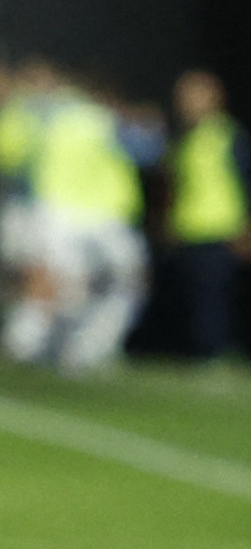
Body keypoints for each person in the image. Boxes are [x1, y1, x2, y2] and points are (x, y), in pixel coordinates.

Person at [2, 68, 150, 372]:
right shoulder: (97, 117)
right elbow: (147, 150)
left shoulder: (38, 114)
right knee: (83, 282)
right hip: (92, 213)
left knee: (60, 281)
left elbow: (13, 155)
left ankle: (33, 342)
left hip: (59, 210)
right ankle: (70, 346)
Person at [158, 68, 251, 364]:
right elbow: (176, 186)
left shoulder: (228, 135)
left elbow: (250, 181)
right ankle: (196, 353)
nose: (186, 102)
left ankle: (215, 353)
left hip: (221, 229)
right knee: (188, 298)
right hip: (188, 230)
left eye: (194, 95)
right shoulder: (182, 139)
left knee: (214, 298)